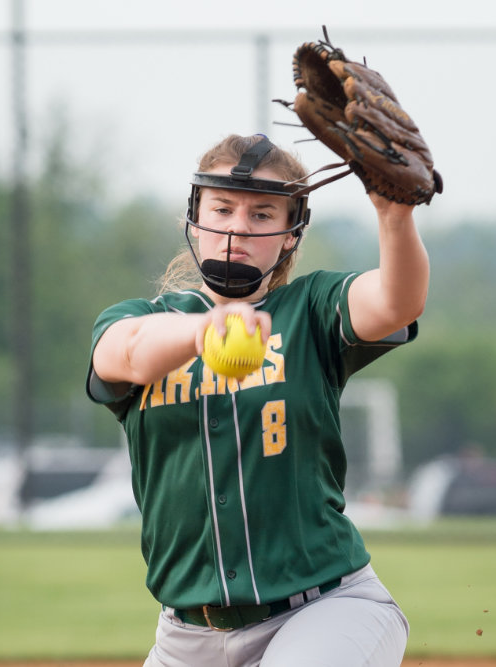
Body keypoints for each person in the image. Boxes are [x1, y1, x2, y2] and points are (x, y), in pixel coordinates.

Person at [86, 133, 429, 666]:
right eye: (222, 208)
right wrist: (207, 330)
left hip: (326, 610)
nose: (237, 229)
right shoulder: (138, 319)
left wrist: (394, 216)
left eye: (262, 214)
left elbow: (396, 301)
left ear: (290, 234)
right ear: (195, 218)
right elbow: (123, 356)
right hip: (185, 637)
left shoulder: (310, 310)